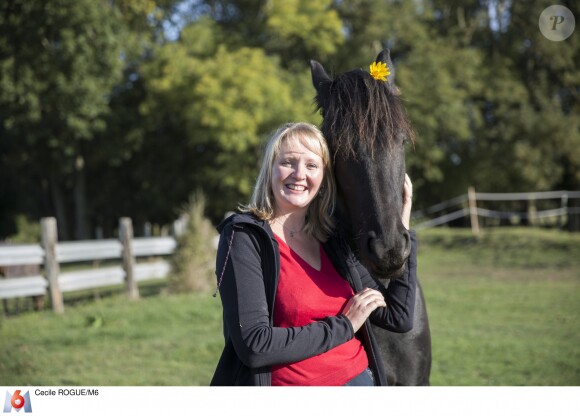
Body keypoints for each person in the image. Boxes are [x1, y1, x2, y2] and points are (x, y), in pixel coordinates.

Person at [210, 122, 417, 386]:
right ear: (270, 168)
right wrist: (344, 325)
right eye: (288, 162)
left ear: (323, 177)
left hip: (361, 380)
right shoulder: (245, 237)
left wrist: (404, 227)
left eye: (311, 165)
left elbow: (398, 316)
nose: (299, 174)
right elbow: (255, 345)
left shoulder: (332, 239)